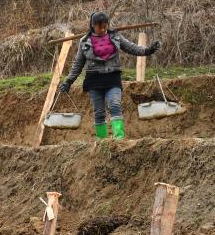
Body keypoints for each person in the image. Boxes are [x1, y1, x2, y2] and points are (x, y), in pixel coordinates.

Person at [58, 12, 163, 140]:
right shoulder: (84, 41)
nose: (103, 29)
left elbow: (131, 47)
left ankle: (119, 139)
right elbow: (78, 64)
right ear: (93, 26)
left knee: (115, 105)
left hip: (112, 78)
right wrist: (68, 81)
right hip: (94, 81)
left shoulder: (115, 36)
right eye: (100, 27)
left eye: (105, 26)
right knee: (99, 112)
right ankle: (101, 141)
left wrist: (147, 50)